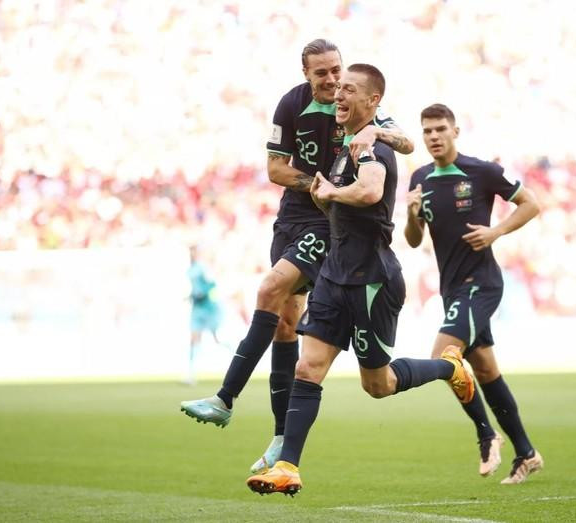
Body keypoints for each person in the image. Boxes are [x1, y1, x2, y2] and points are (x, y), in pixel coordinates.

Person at [180, 39, 415, 475]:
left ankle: (225, 396)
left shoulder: (365, 108)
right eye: (322, 73)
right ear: (306, 74)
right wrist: (316, 183)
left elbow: (407, 143)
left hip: (330, 223)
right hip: (293, 216)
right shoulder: (291, 104)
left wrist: (373, 136)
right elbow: (274, 169)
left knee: (270, 287)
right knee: (286, 323)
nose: (332, 81)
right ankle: (279, 437)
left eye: (337, 71)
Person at [246, 64, 474, 497]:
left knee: (379, 385)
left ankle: (448, 366)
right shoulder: (345, 145)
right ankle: (288, 467)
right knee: (307, 366)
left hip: (371, 280)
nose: (338, 95)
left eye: (349, 89)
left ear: (373, 102)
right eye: (338, 89)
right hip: (334, 275)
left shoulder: (372, 147)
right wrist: (324, 197)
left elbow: (370, 191)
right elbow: (346, 203)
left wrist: (331, 194)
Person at [404, 103, 543, 484]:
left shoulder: (481, 171)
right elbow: (414, 241)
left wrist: (495, 231)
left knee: (443, 356)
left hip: (481, 284)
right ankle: (527, 454)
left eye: (439, 129)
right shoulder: (420, 178)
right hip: (452, 289)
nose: (433, 137)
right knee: (484, 370)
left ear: (455, 131)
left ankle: (486, 434)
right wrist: (412, 214)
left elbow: (532, 203)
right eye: (427, 131)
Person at [185, 245, 225, 386]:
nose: (192, 254)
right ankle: (191, 375)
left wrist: (202, 293)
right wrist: (191, 296)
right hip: (197, 309)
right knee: (194, 340)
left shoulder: (202, 268)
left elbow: (212, 284)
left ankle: (238, 358)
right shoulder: (190, 269)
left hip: (209, 308)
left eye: (194, 251)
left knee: (217, 338)